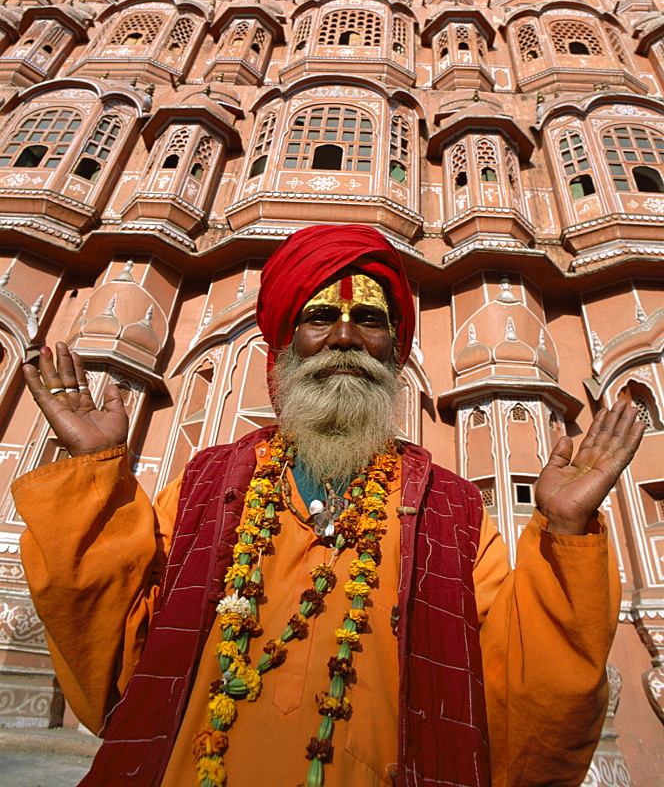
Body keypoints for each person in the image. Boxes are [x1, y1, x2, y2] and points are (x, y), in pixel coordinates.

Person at [12, 224, 645, 787]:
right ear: (284, 346)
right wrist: (93, 476)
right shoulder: (212, 485)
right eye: (319, 317)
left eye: (370, 321)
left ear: (396, 354)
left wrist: (564, 530)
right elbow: (118, 655)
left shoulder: (450, 513)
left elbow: (521, 695)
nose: (345, 336)